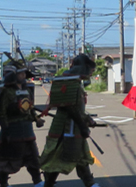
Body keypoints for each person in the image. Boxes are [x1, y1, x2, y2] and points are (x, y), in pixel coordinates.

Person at [39, 54, 100, 187]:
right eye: (90, 69)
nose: (91, 73)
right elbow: (70, 107)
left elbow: (76, 107)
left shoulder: (72, 81)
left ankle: (89, 183)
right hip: (66, 127)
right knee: (58, 157)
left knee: (80, 155)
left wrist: (87, 119)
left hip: (73, 125)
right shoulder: (70, 82)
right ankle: (48, 183)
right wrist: (83, 125)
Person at [0, 62, 44, 187]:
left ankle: (38, 181)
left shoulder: (26, 90)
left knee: (33, 157)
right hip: (12, 130)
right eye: (20, 73)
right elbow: (1, 113)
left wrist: (37, 119)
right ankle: (4, 183)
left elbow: (30, 109)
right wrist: (6, 130)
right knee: (8, 160)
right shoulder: (6, 91)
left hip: (27, 129)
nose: (23, 75)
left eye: (24, 73)